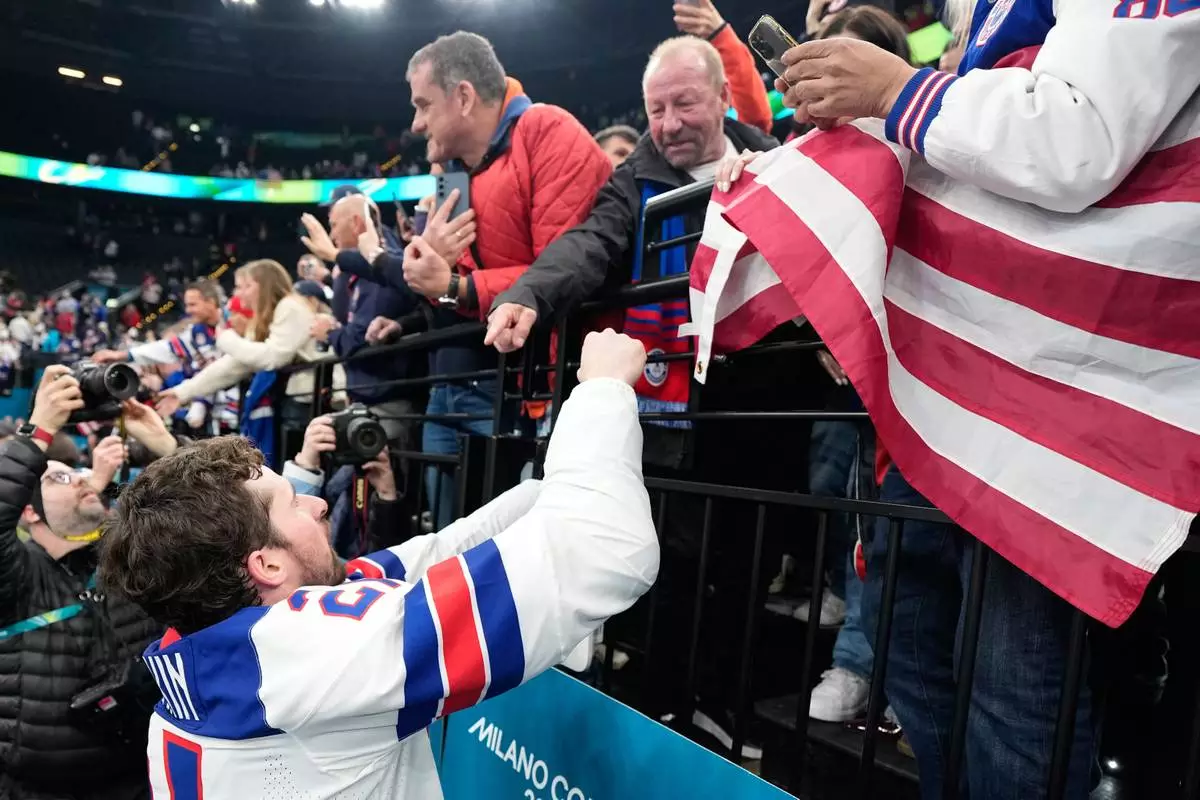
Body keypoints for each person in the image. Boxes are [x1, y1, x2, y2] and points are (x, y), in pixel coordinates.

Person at [749, 1, 1200, 797]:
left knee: (1011, 700)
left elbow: (1074, 140)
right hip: (957, 388)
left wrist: (897, 90)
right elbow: (972, 157)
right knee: (909, 645)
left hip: (1047, 401)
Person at [99, 330, 660, 800]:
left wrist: (547, 486)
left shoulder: (204, 643)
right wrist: (601, 391)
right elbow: (607, 548)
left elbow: (436, 556)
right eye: (292, 503)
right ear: (266, 565)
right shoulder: (311, 656)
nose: (317, 502)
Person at [486, 35, 788, 757]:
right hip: (674, 416)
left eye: (685, 103)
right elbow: (591, 242)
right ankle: (666, 708)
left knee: (748, 563)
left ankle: (722, 708)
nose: (670, 122)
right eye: (657, 108)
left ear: (721, 95)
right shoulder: (635, 178)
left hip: (767, 404)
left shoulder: (779, 160)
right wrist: (530, 293)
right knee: (677, 566)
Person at [357, 31, 611, 531]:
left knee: (510, 553)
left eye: (424, 105)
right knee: (449, 541)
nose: (415, 123)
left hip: (541, 389)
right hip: (467, 384)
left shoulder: (547, 130)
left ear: (465, 96)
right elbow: (452, 292)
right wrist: (432, 275)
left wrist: (454, 284)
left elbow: (562, 269)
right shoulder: (452, 174)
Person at [0, 367, 179, 800]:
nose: (81, 477)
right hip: (41, 790)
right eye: (57, 477)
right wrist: (38, 429)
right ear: (28, 511)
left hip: (141, 778)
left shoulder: (128, 556)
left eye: (76, 471)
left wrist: (167, 449)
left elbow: (215, 516)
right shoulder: (17, 576)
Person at [93, 280, 237, 432]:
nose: (188, 310)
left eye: (193, 305)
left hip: (241, 407)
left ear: (211, 302)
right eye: (187, 305)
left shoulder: (236, 322)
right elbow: (166, 349)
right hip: (218, 419)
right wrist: (122, 355)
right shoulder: (197, 332)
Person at [283, 414, 406, 557]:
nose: (359, 438)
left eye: (368, 434)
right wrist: (305, 465)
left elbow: (388, 560)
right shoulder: (332, 470)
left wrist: (387, 497)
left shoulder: (382, 470)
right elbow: (286, 533)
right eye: (345, 425)